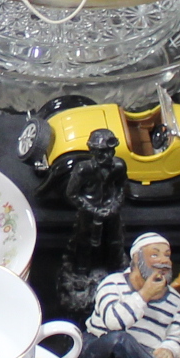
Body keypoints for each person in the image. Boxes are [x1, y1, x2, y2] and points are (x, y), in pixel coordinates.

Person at [55, 129, 130, 318]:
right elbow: (72, 194)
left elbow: (121, 188)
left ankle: (116, 270)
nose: (106, 156)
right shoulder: (83, 170)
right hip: (88, 214)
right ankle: (81, 271)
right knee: (85, 242)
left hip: (111, 212)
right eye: (101, 152)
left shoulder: (119, 166)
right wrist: (92, 209)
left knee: (115, 240)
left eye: (109, 151)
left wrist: (113, 206)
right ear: (92, 152)